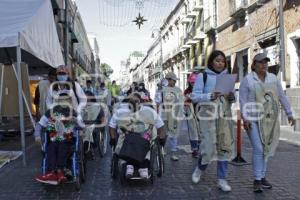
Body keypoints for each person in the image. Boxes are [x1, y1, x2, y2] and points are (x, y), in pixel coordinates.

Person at [239, 53, 295, 193]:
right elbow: (243, 101)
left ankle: (262, 177)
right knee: (258, 148)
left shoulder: (273, 78)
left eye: (266, 62)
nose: (264, 64)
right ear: (254, 65)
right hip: (252, 120)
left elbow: (281, 96)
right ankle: (257, 179)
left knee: (266, 149)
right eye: (260, 62)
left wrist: (289, 113)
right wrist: (245, 119)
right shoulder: (248, 80)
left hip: (269, 120)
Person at [191, 50, 235, 192]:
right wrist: (210, 95)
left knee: (224, 146)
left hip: (224, 116)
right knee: (208, 147)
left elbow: (230, 98)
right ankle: (199, 168)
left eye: (222, 61)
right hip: (207, 115)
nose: (220, 63)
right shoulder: (202, 76)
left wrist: (231, 98)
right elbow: (194, 96)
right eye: (217, 60)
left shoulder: (227, 77)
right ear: (211, 61)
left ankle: (222, 180)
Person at [109, 93, 166, 179]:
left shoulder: (150, 111)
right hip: (126, 138)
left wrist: (162, 138)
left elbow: (160, 126)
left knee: (144, 141)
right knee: (127, 141)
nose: (134, 103)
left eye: (136, 101)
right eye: (131, 101)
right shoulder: (120, 112)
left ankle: (143, 166)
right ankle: (129, 165)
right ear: (128, 103)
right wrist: (113, 138)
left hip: (144, 138)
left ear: (140, 102)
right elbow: (112, 126)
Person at [34, 91, 83, 185]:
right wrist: (37, 136)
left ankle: (60, 171)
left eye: (66, 100)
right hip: (55, 139)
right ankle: (52, 172)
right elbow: (39, 125)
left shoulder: (73, 112)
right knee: (51, 146)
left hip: (68, 140)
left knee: (62, 144)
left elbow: (82, 125)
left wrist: (75, 121)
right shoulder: (50, 112)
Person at [155, 72, 184, 161]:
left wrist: (180, 114)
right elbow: (157, 101)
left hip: (174, 115)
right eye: (173, 80)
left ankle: (173, 153)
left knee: (174, 134)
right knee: (163, 133)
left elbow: (181, 102)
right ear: (168, 80)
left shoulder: (178, 90)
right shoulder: (161, 90)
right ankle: (161, 150)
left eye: (175, 81)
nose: (175, 82)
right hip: (163, 115)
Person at [81, 91, 106, 159]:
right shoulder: (81, 106)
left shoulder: (98, 107)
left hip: (94, 124)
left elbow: (103, 120)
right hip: (83, 124)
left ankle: (88, 149)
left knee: (89, 131)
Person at [184, 72, 200, 158]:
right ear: (189, 82)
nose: (193, 84)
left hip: (201, 114)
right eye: (192, 82)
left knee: (201, 132)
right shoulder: (187, 91)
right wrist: (188, 98)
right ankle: (194, 150)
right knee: (193, 132)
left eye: (195, 82)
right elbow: (185, 103)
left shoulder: (201, 91)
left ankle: (199, 148)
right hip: (191, 114)